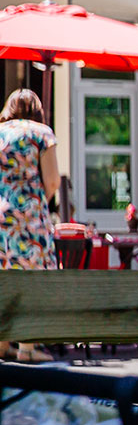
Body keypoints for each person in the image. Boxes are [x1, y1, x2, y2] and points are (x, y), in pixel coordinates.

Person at [0, 89, 59, 361]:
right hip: (30, 216)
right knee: (32, 281)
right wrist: (37, 203)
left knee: (4, 280)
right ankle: (27, 348)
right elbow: (53, 181)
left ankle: (1, 345)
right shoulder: (42, 133)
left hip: (1, 214)